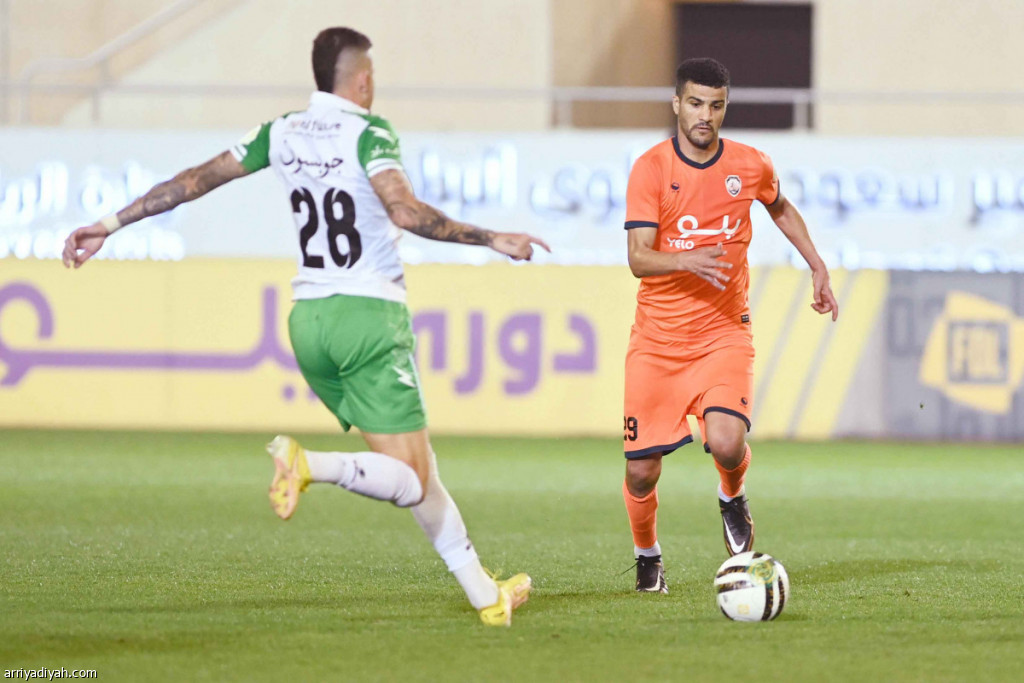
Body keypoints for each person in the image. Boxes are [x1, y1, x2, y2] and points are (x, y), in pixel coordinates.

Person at [62, 26, 547, 626]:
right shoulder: (370, 132)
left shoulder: (281, 130)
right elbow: (404, 211)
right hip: (368, 318)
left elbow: (192, 182)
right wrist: (491, 237)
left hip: (309, 322)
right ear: (362, 80)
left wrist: (109, 225)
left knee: (415, 467)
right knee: (413, 479)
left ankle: (486, 597)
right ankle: (310, 464)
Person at [620, 58, 838, 593]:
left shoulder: (750, 164)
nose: (705, 115)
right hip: (657, 341)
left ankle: (732, 494)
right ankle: (648, 555)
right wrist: (685, 260)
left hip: (723, 331)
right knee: (641, 472)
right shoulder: (650, 169)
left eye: (716, 106)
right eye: (695, 103)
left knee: (726, 442)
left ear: (724, 107)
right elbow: (638, 258)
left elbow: (780, 207)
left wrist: (816, 264)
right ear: (677, 103)